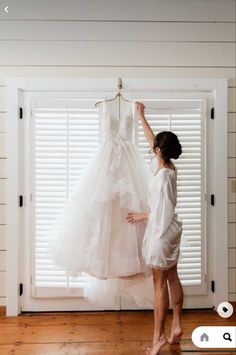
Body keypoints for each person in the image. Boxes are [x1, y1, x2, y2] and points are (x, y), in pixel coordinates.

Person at [126, 102, 184, 355]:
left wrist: (141, 215)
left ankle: (158, 337)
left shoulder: (161, 179)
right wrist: (141, 116)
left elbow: (161, 212)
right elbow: (154, 141)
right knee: (173, 277)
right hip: (171, 231)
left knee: (159, 284)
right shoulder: (169, 168)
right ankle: (178, 326)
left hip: (161, 233)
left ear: (159, 150)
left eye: (155, 147)